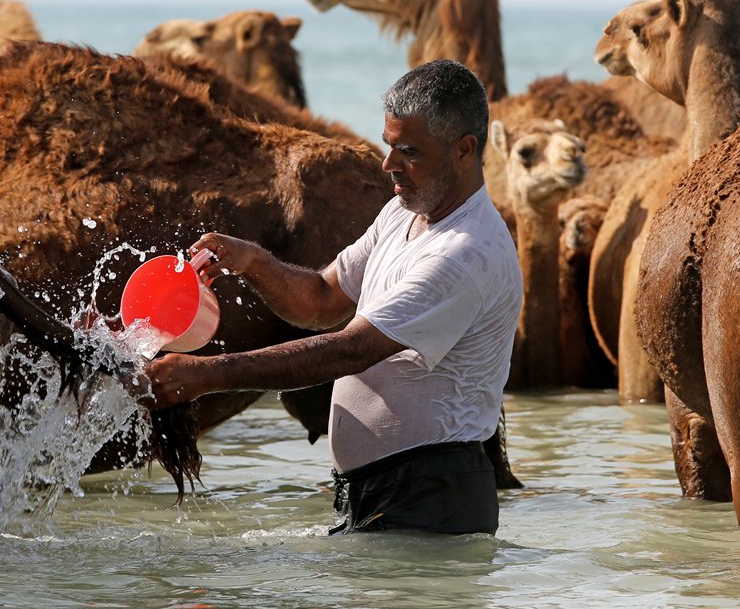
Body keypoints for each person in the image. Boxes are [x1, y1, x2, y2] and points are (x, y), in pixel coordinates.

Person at [147, 59, 522, 535]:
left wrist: (206, 374)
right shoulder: (400, 215)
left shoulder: (465, 253)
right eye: (389, 146)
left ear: (464, 150)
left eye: (409, 151)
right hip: (385, 490)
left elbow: (352, 350)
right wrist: (253, 262)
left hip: (430, 494)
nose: (389, 165)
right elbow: (321, 299)